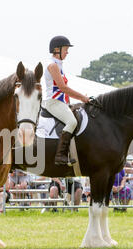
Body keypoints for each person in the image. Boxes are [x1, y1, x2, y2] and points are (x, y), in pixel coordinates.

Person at [44, 35, 90, 165]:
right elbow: (63, 88)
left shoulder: (58, 65)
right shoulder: (52, 66)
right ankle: (60, 155)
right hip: (53, 102)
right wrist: (82, 97)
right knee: (71, 121)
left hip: (62, 103)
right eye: (65, 49)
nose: (67, 52)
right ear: (56, 49)